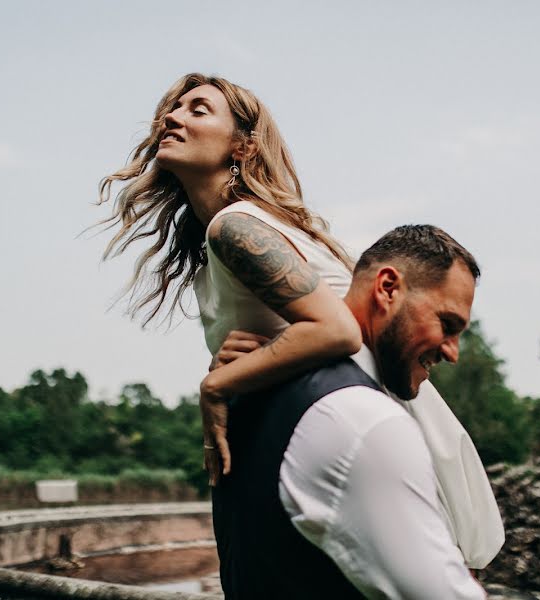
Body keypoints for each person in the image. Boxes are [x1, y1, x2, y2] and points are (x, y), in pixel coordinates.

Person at [98, 73, 503, 569]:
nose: (173, 118)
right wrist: (256, 358)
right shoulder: (230, 232)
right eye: (173, 109)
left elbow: (337, 330)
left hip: (359, 431)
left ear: (243, 147)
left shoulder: (236, 226)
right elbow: (304, 330)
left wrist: (218, 386)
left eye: (197, 110)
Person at [213, 225, 488, 598]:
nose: (453, 352)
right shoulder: (364, 419)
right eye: (447, 324)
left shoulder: (248, 391)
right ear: (387, 288)